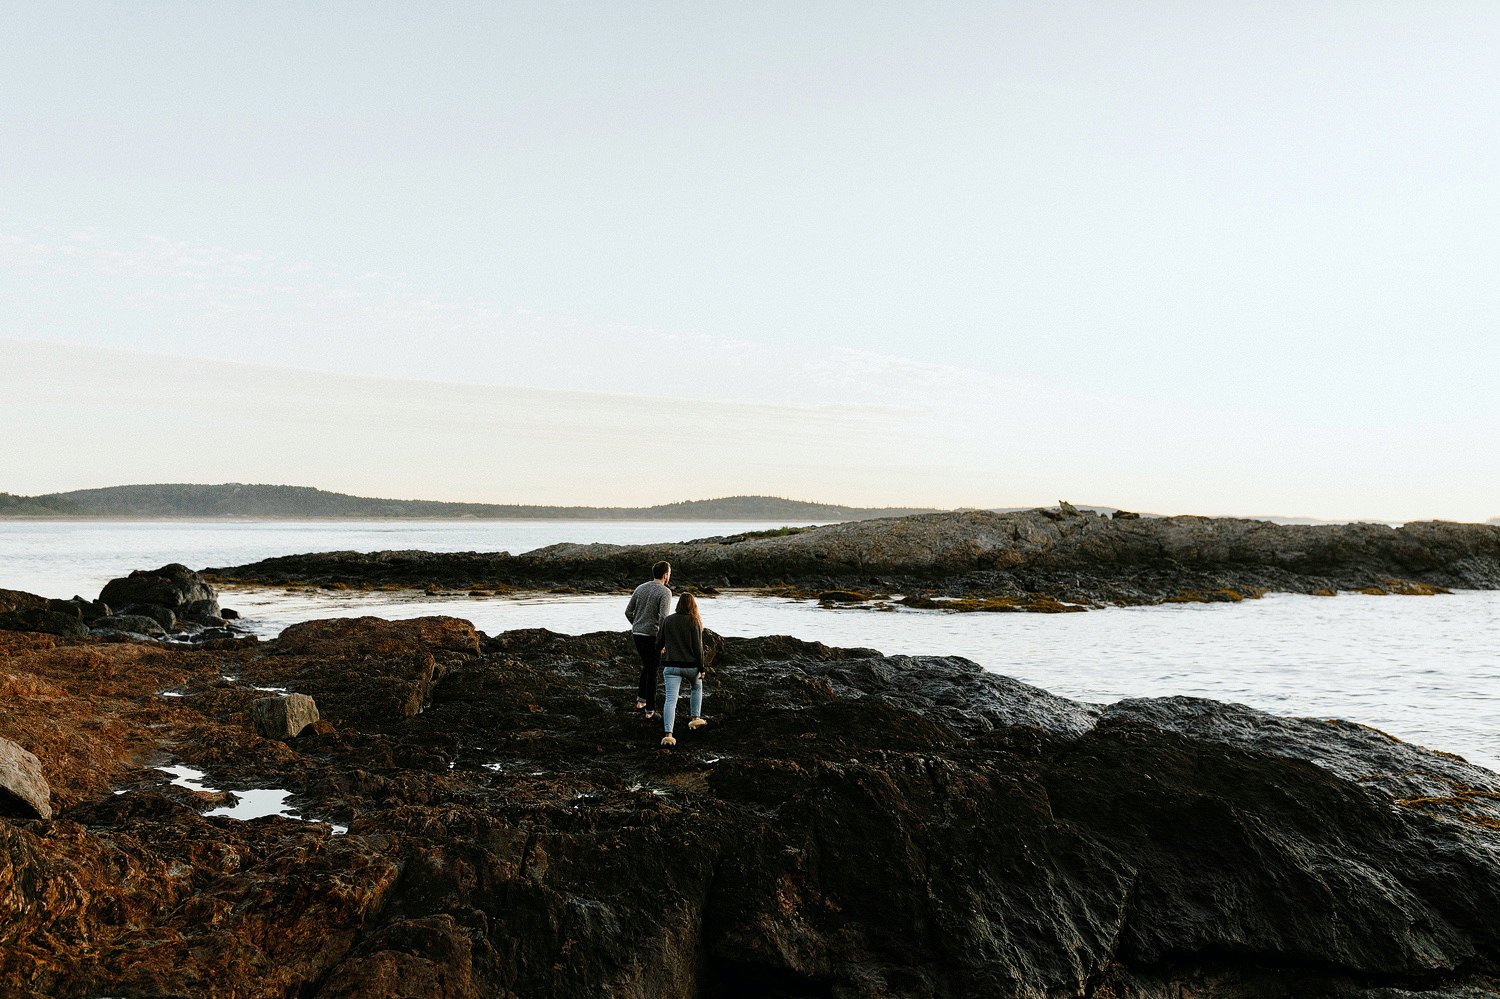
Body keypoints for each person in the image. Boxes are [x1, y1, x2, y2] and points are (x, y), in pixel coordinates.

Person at [657, 591, 709, 747]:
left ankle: (668, 735)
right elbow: (698, 648)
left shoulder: (668, 620)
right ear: (693, 605)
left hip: (672, 667)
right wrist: (702, 668)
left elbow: (659, 643)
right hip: (691, 666)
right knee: (697, 687)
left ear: (678, 604)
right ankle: (694, 719)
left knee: (670, 700)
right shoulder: (694, 621)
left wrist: (663, 650)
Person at [624, 560, 672, 717]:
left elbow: (628, 612)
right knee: (653, 670)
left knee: (647, 665)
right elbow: (664, 618)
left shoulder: (640, 588)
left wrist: (637, 624)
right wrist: (662, 640)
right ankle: (650, 709)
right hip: (652, 636)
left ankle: (641, 700)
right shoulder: (665, 592)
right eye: (669, 573)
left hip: (637, 634)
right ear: (665, 575)